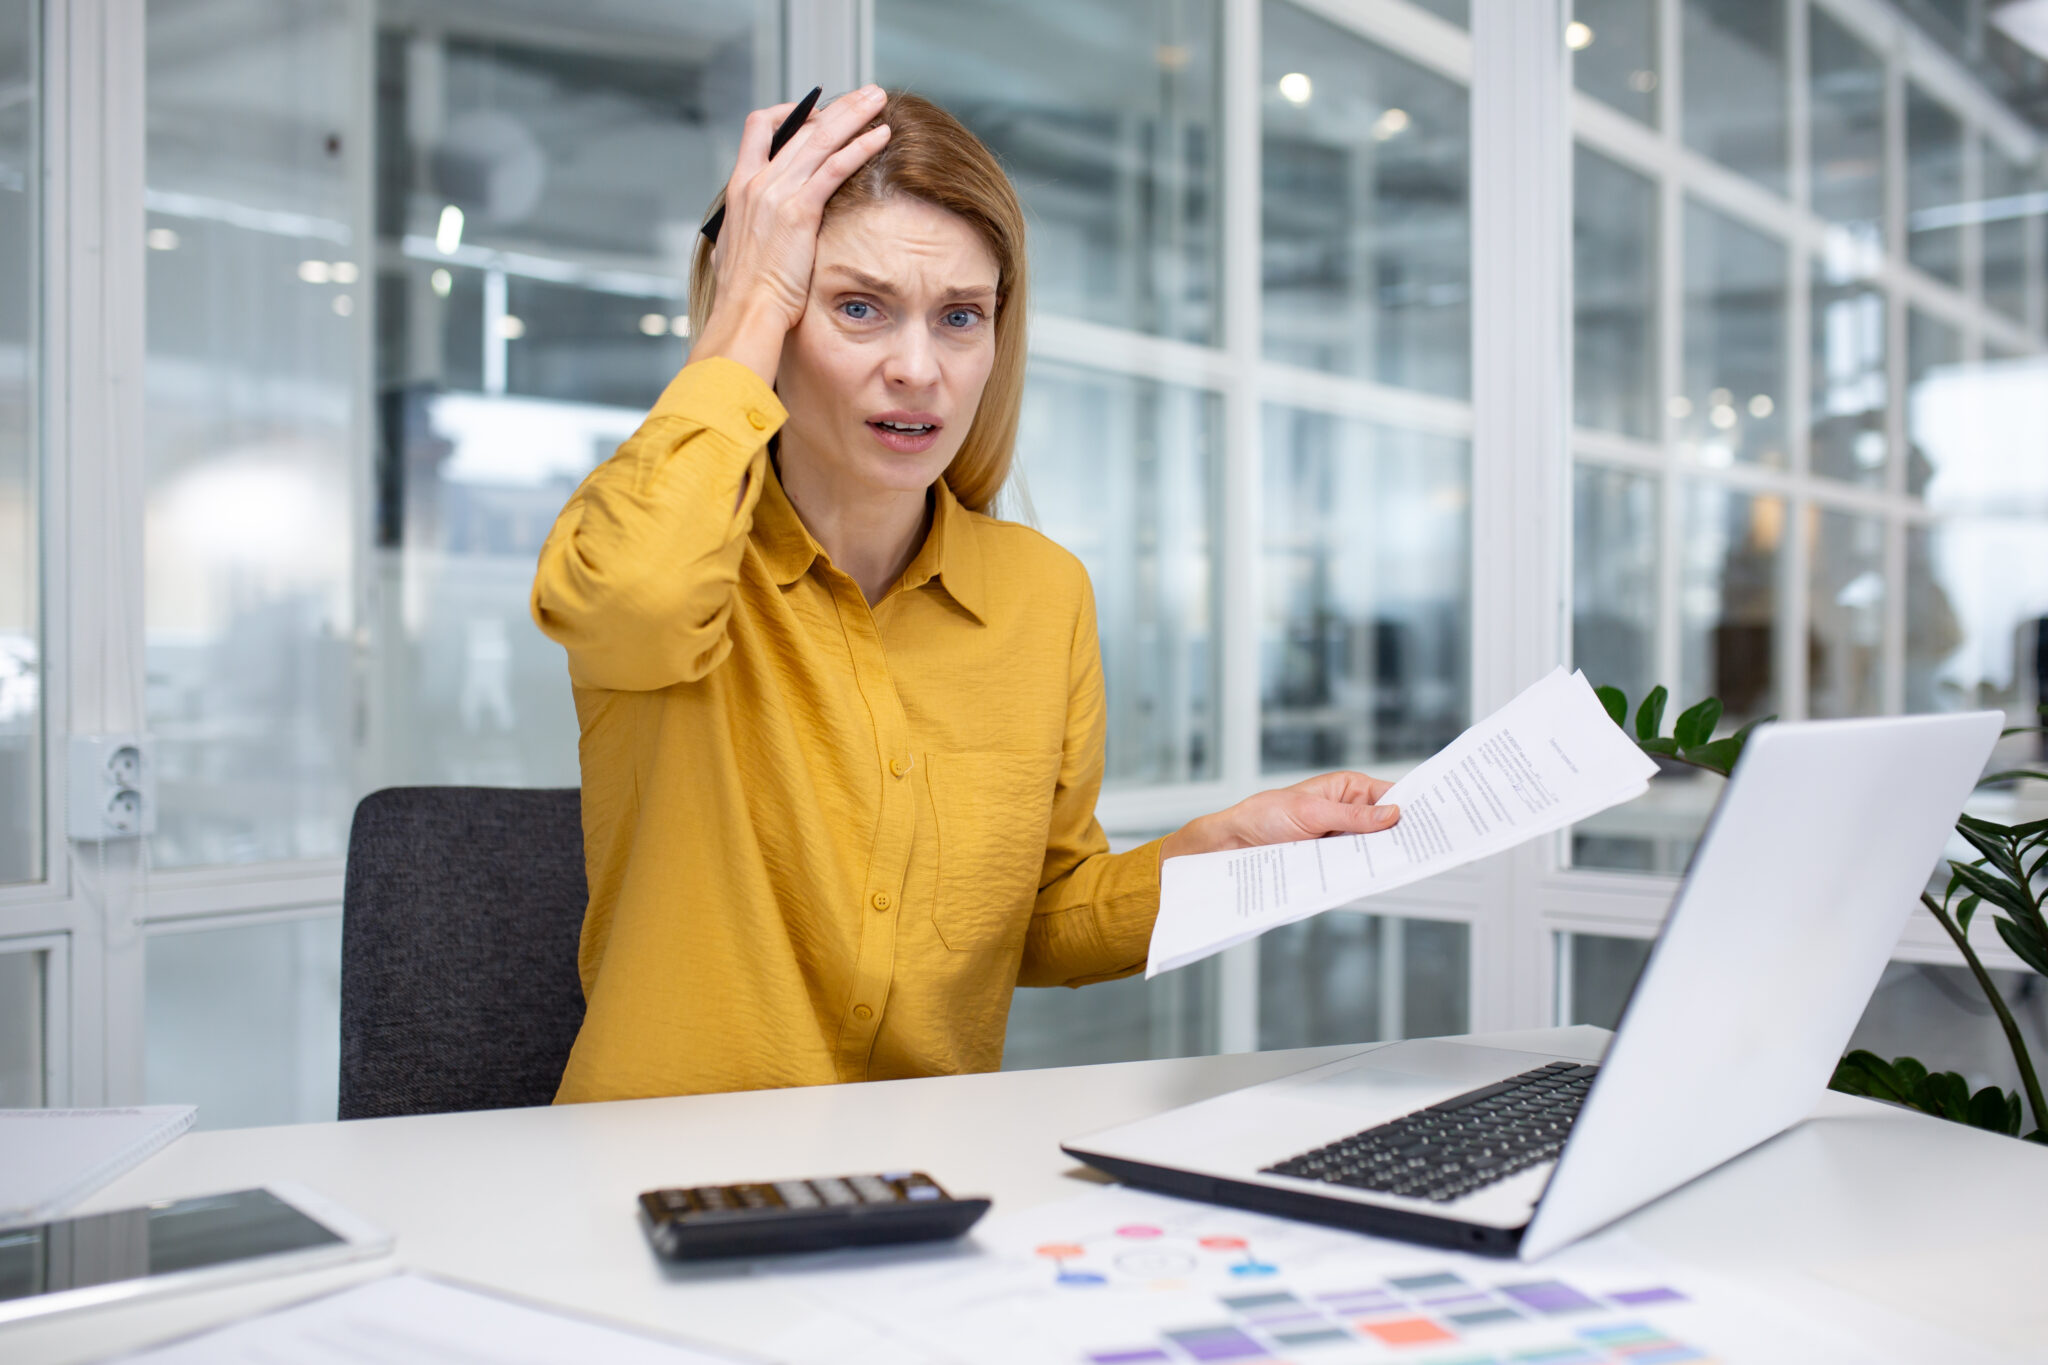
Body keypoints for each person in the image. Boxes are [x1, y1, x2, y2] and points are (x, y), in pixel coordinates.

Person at [530, 86, 1400, 1103]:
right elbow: (628, 599)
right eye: (857, 307)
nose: (917, 369)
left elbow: (1037, 919)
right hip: (660, 1182)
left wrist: (1219, 851)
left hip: (920, 1184)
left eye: (959, 319)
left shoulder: (1041, 593)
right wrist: (750, 299)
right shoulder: (668, 550)